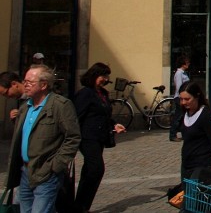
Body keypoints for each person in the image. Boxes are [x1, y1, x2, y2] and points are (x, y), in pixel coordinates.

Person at [5, 65, 81, 213]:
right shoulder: (25, 107)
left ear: (44, 85)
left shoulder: (60, 105)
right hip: (26, 171)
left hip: (46, 172)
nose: (25, 85)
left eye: (30, 82)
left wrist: (56, 166)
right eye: (25, 81)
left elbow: (73, 137)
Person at [73, 62, 126, 213]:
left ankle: (81, 206)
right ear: (94, 76)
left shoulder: (102, 93)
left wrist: (114, 125)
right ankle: (80, 206)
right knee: (96, 169)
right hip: (87, 137)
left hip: (99, 137)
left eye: (106, 76)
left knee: (90, 170)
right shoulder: (86, 93)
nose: (105, 79)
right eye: (103, 76)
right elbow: (76, 116)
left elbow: (105, 115)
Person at [177, 80, 211, 180]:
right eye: (181, 99)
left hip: (202, 166)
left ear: (197, 97)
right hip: (186, 165)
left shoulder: (205, 115)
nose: (183, 102)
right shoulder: (185, 113)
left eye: (187, 99)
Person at [169, 55, 190, 141]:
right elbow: (179, 86)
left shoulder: (183, 73)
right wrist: (183, 97)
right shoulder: (179, 73)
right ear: (183, 64)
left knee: (183, 117)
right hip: (180, 98)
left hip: (183, 97)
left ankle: (184, 134)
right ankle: (172, 135)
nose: (188, 64)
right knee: (178, 117)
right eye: (187, 62)